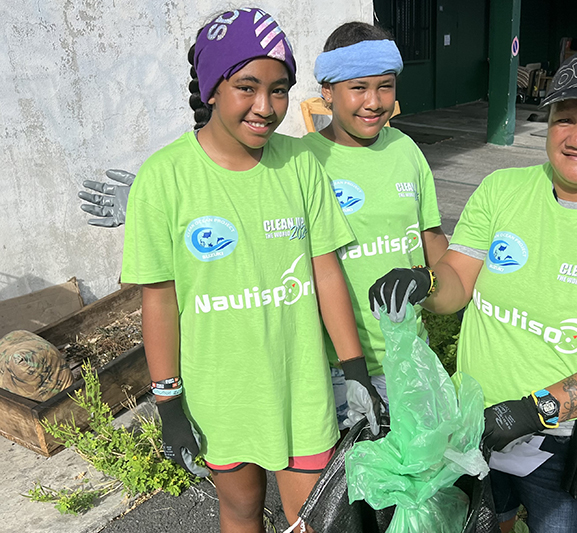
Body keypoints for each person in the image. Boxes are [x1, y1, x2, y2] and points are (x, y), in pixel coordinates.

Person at [368, 50, 577, 532]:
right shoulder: (502, 190)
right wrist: (425, 282)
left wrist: (533, 410)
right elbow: (457, 285)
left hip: (571, 434)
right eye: (565, 120)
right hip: (475, 418)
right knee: (480, 522)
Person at [120, 9, 377, 532]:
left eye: (279, 89)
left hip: (302, 386)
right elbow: (160, 299)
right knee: (239, 510)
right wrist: (168, 402)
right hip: (223, 391)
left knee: (313, 519)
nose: (266, 107)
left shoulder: (300, 164)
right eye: (247, 87)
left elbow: (326, 274)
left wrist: (354, 371)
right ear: (212, 88)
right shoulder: (164, 178)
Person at [304, 21, 448, 428]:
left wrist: (454, 290)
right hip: (333, 369)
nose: (374, 101)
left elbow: (432, 240)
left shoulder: (406, 149)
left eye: (385, 86)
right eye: (358, 87)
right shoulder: (303, 161)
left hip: (408, 357)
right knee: (348, 487)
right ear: (328, 92)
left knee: (416, 482)